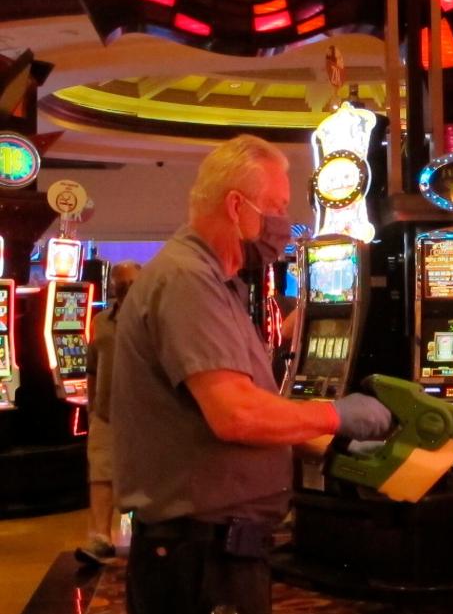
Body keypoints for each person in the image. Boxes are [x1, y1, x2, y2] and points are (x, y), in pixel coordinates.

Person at [111, 135, 392, 614]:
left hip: (214, 545)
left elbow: (234, 410)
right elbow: (235, 415)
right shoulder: (187, 280)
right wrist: (336, 417)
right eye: (277, 207)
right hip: (199, 551)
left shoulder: (212, 281)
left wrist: (326, 442)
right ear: (237, 205)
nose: (283, 224)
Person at [75, 260, 142, 566]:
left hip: (144, 413)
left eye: (130, 283)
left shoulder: (152, 318)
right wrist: (92, 409)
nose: (124, 288)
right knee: (101, 474)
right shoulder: (101, 321)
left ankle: (147, 537)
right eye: (119, 283)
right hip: (105, 412)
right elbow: (91, 368)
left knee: (143, 476)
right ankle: (100, 538)